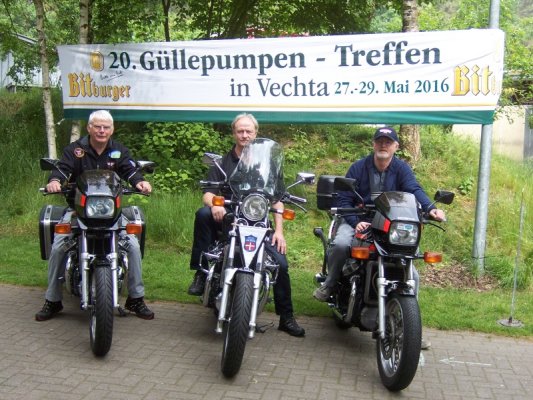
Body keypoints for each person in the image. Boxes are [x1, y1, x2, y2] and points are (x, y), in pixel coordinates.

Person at [313, 126, 445, 349]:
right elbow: (344, 199)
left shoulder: (401, 169)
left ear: (396, 146)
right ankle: (330, 283)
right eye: (380, 141)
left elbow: (413, 190)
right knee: (342, 244)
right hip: (358, 218)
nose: (383, 144)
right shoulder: (358, 167)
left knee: (413, 275)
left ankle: (409, 330)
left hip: (388, 224)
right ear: (373, 144)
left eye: (388, 141)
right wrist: (355, 221)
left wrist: (431, 208)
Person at [187, 113, 305, 337]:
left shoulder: (266, 164)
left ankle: (286, 317)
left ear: (255, 133)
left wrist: (279, 231)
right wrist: (215, 204)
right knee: (203, 213)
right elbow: (208, 193)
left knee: (280, 264)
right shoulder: (222, 162)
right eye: (240, 131)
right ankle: (201, 273)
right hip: (228, 220)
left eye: (248, 131)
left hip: (259, 223)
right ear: (234, 133)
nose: (244, 135)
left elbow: (277, 199)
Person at [35, 110, 155, 321]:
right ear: (89, 128)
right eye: (97, 126)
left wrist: (140, 182)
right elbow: (62, 169)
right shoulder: (75, 150)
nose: (101, 131)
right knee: (59, 246)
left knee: (133, 246)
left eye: (106, 127)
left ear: (112, 129)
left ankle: (136, 298)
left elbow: (130, 170)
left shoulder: (118, 151)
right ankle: (52, 300)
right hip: (78, 212)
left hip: (112, 214)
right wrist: (55, 181)